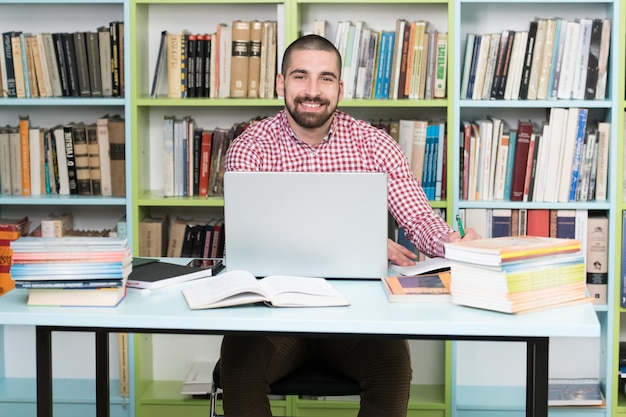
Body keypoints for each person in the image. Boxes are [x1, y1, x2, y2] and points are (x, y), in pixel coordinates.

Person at [220, 34, 480, 417]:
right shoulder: (251, 146)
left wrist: (454, 242)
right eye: (300, 76)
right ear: (281, 83)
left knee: (393, 368)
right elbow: (253, 237)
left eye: (325, 78)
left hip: (358, 312)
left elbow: (419, 218)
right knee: (239, 366)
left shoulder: (375, 144)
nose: (312, 90)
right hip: (272, 313)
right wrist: (362, 243)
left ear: (340, 88)